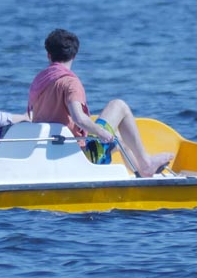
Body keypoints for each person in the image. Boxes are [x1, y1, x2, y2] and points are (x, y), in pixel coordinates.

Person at [28, 28, 174, 178]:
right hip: (80, 157)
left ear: (49, 55)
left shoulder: (39, 80)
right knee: (118, 106)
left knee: (118, 137)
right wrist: (101, 132)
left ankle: (142, 172)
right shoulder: (69, 83)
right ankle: (146, 163)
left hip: (52, 153)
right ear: (74, 55)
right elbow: (79, 118)